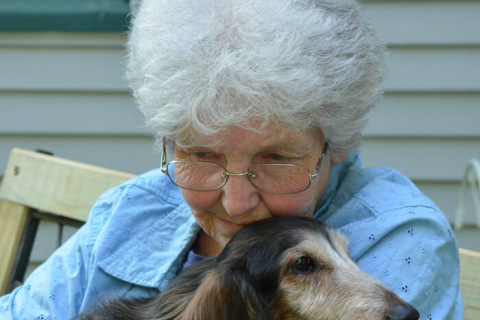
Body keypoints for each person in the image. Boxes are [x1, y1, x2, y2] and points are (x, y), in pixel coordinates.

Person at [0, 0, 463, 318]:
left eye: (276, 158)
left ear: (335, 143)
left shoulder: (399, 238)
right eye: (201, 155)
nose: (237, 202)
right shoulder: (134, 208)